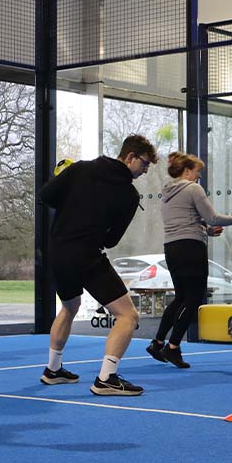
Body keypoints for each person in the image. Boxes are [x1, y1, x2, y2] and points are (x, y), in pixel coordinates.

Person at [40, 135, 157, 396]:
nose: (145, 170)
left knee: (70, 307)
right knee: (128, 316)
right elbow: (111, 239)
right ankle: (107, 378)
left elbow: (46, 195)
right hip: (86, 256)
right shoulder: (129, 194)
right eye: (145, 164)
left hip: (58, 252)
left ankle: (53, 370)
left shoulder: (79, 168)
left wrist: (72, 205)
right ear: (130, 157)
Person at [147, 152, 232, 369]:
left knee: (180, 298)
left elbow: (186, 221)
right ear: (187, 171)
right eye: (198, 172)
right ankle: (172, 347)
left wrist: (206, 230)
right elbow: (213, 217)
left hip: (173, 249)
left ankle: (157, 342)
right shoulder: (193, 188)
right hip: (191, 248)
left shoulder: (167, 193)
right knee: (194, 298)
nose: (199, 177)